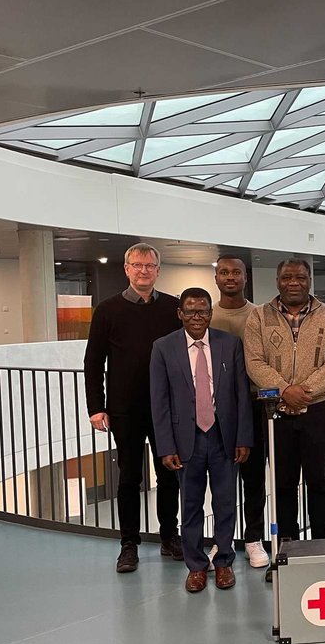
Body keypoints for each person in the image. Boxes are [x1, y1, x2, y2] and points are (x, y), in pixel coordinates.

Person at [83, 243, 182, 574]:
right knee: (128, 478)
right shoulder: (107, 310)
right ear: (126, 269)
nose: (143, 271)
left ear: (158, 271)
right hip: (124, 409)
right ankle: (129, 544)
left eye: (149, 265)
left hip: (165, 407)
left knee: (169, 474)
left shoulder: (173, 308)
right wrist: (96, 407)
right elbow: (93, 362)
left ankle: (169, 536)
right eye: (137, 265)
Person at [150, 288, 253, 593]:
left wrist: (243, 437)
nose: (197, 317)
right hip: (186, 440)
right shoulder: (163, 347)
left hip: (223, 437)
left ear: (210, 313)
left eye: (203, 311)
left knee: (225, 503)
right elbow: (159, 401)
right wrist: (166, 446)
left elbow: (241, 396)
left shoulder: (229, 344)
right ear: (180, 314)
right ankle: (196, 566)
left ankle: (223, 562)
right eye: (190, 311)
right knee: (191, 504)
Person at [244, 258, 325, 541]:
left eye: (300, 277)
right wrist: (284, 390)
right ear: (277, 281)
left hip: (318, 410)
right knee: (283, 483)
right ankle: (287, 546)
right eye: (287, 277)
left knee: (320, 480)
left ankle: (321, 543)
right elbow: (254, 362)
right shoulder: (259, 317)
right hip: (275, 411)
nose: (293, 283)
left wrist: (302, 393)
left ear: (309, 281)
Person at [210, 255, 270, 569]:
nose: (230, 277)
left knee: (254, 478)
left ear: (245, 277)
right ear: (216, 278)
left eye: (236, 272)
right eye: (224, 272)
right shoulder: (206, 316)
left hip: (254, 405)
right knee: (221, 479)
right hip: (216, 409)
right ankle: (221, 541)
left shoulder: (259, 315)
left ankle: (253, 538)